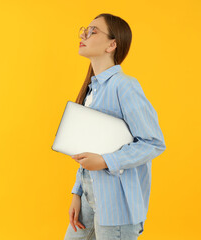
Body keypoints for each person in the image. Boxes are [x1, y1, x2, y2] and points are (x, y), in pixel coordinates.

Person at [63, 13, 166, 240]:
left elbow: (153, 143)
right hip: (89, 196)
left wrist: (104, 161)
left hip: (117, 205)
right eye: (85, 29)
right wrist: (77, 193)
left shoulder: (125, 86)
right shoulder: (93, 90)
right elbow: (88, 148)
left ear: (112, 44)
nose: (84, 34)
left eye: (93, 31)